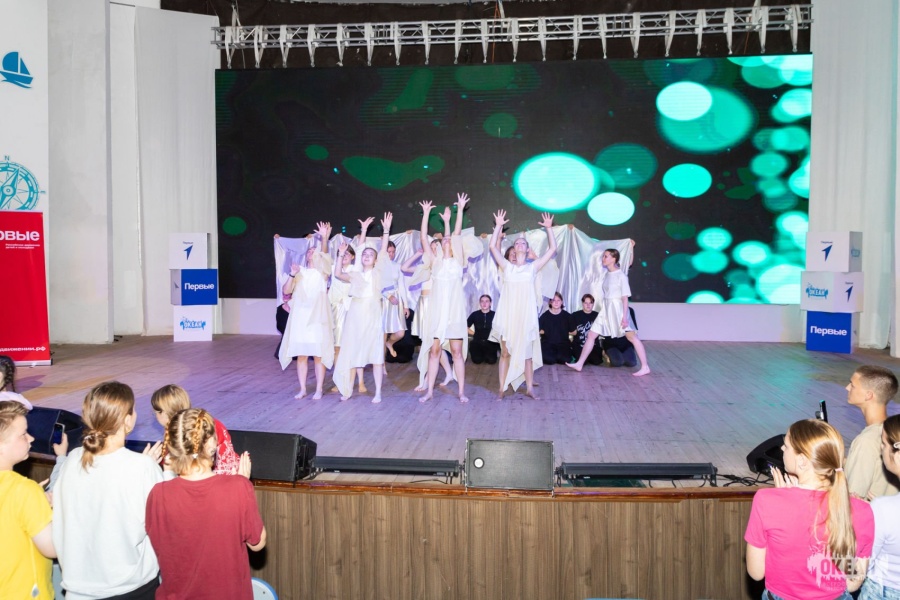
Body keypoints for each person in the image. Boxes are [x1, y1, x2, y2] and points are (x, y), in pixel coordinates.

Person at [53, 381, 164, 600]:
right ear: (127, 420)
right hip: (131, 590)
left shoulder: (72, 459)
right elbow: (164, 529)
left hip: (77, 592)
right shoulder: (141, 467)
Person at [745, 419, 874, 600]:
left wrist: (783, 499)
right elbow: (852, 583)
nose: (781, 448)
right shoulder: (862, 510)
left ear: (802, 461)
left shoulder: (766, 501)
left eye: (786, 446)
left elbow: (756, 572)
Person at [145, 408, 266, 600]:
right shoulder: (237, 487)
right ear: (211, 443)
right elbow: (257, 543)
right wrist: (243, 486)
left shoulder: (158, 494)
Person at [488, 209, 557, 400]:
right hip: (508, 315)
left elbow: (552, 249)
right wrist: (498, 226)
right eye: (517, 242)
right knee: (505, 352)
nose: (519, 244)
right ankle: (501, 388)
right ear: (514, 248)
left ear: (527, 250)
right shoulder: (507, 267)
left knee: (527, 355)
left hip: (526, 316)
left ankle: (529, 388)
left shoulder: (532, 267)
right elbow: (492, 246)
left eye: (523, 243)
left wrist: (549, 229)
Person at [416, 195, 474, 403]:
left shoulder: (459, 261)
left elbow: (456, 234)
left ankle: (461, 391)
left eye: (449, 240)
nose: (447, 240)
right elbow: (424, 239)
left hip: (455, 313)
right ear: (440, 245)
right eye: (443, 240)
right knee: (434, 352)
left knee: (457, 353)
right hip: (438, 313)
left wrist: (459, 211)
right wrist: (425, 214)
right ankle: (430, 391)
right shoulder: (435, 261)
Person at [332, 213, 393, 403]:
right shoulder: (356, 274)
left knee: (376, 356)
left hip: (372, 317)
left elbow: (383, 251)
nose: (366, 256)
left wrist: (386, 231)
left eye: (370, 255)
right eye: (364, 255)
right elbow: (338, 273)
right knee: (352, 352)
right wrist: (362, 232)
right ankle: (348, 390)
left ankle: (378, 392)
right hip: (355, 318)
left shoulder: (378, 273)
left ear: (375, 260)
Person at [0, 401, 55, 600]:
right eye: (23, 434)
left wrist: (37, 504)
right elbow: (53, 547)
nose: (31, 438)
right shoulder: (24, 491)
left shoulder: (25, 493)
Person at [566, 248, 650, 376]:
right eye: (603, 256)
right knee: (591, 335)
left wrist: (624, 317)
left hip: (618, 310)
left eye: (606, 256)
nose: (603, 258)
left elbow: (625, 298)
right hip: (606, 309)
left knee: (631, 337)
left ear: (613, 258)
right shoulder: (607, 274)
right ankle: (580, 363)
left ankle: (645, 366)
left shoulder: (621, 276)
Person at [279, 222, 335, 400]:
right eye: (310, 250)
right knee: (302, 355)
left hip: (317, 318)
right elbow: (287, 291)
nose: (312, 252)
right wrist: (292, 274)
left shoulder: (322, 273)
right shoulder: (299, 271)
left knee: (318, 355)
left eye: (315, 251)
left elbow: (325, 255)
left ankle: (319, 388)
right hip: (301, 318)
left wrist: (324, 238)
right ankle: (303, 388)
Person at [150, 384, 246, 476]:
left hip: (208, 480)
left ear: (164, 413)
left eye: (155, 412)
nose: (156, 416)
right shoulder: (209, 422)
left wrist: (150, 463)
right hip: (232, 474)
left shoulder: (178, 435)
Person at [402, 245, 455, 389]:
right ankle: (449, 373)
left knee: (432, 344)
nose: (433, 249)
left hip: (435, 305)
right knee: (433, 344)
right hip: (423, 305)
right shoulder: (424, 268)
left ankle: (426, 380)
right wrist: (417, 254)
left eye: (436, 247)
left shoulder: (443, 267)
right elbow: (404, 268)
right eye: (430, 247)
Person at [845, 365, 900, 498]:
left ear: (868, 395)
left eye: (852, 385)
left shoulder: (866, 441)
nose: (847, 387)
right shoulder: (894, 432)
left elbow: (853, 496)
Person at [861, 414, 900, 599]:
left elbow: (861, 565)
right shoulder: (886, 508)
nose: (881, 450)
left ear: (898, 455)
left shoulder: (884, 509)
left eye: (883, 444)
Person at [381, 240, 408, 359]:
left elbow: (402, 286)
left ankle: (390, 343)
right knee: (383, 333)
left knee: (400, 332)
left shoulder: (397, 266)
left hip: (396, 301)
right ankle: (381, 363)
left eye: (393, 252)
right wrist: (388, 296)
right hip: (383, 301)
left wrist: (406, 305)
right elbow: (377, 286)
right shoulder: (378, 266)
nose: (391, 254)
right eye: (389, 252)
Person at [539, 292, 574, 365]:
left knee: (565, 359)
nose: (556, 302)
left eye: (558, 300)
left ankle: (559, 355)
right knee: (549, 360)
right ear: (550, 302)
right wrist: (546, 331)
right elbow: (538, 330)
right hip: (548, 343)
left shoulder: (567, 316)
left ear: (561, 302)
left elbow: (574, 331)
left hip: (563, 343)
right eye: (554, 300)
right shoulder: (545, 316)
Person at [570, 294, 603, 367]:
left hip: (594, 346)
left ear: (593, 304)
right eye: (586, 303)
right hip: (579, 345)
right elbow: (571, 331)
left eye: (590, 303)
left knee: (597, 361)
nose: (588, 305)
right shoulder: (575, 315)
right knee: (583, 361)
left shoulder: (598, 316)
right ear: (582, 303)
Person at [468, 294, 500, 365]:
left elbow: (500, 328)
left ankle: (489, 354)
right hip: (477, 342)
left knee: (491, 361)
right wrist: (474, 334)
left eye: (487, 301)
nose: (484, 303)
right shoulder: (475, 314)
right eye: (482, 301)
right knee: (477, 360)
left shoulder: (495, 315)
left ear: (490, 303)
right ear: (480, 303)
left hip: (491, 342)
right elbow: (465, 327)